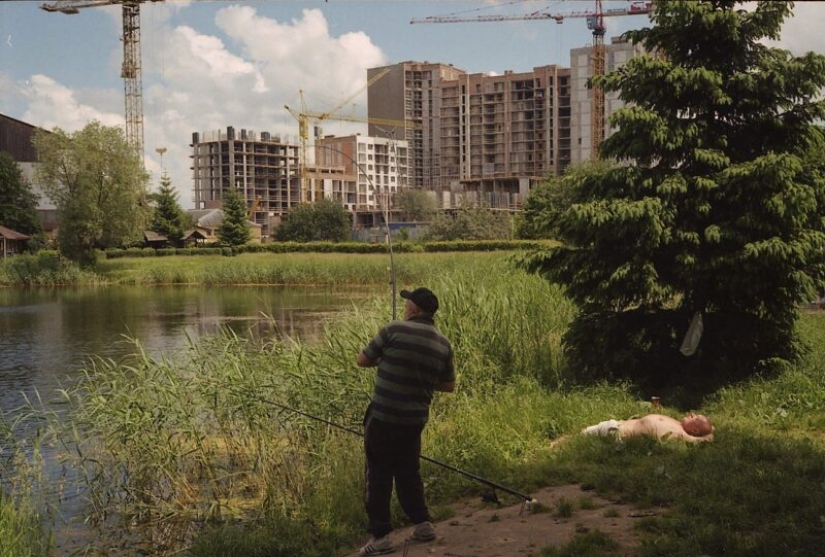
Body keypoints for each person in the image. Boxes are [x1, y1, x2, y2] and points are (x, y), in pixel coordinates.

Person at [355, 287, 456, 556]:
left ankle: (380, 537)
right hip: (414, 421)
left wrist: (387, 361)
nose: (404, 307)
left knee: (378, 475)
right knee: (409, 471)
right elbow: (449, 385)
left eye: (407, 303)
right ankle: (423, 525)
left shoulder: (393, 330)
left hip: (383, 417)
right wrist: (420, 376)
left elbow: (362, 360)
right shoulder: (443, 343)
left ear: (414, 309)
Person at [581, 413, 714, 443]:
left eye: (695, 418)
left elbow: (702, 439)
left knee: (581, 436)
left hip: (617, 431)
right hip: (617, 424)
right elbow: (711, 428)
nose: (692, 414)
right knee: (581, 435)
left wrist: (707, 435)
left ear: (695, 430)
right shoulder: (679, 424)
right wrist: (709, 428)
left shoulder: (680, 433)